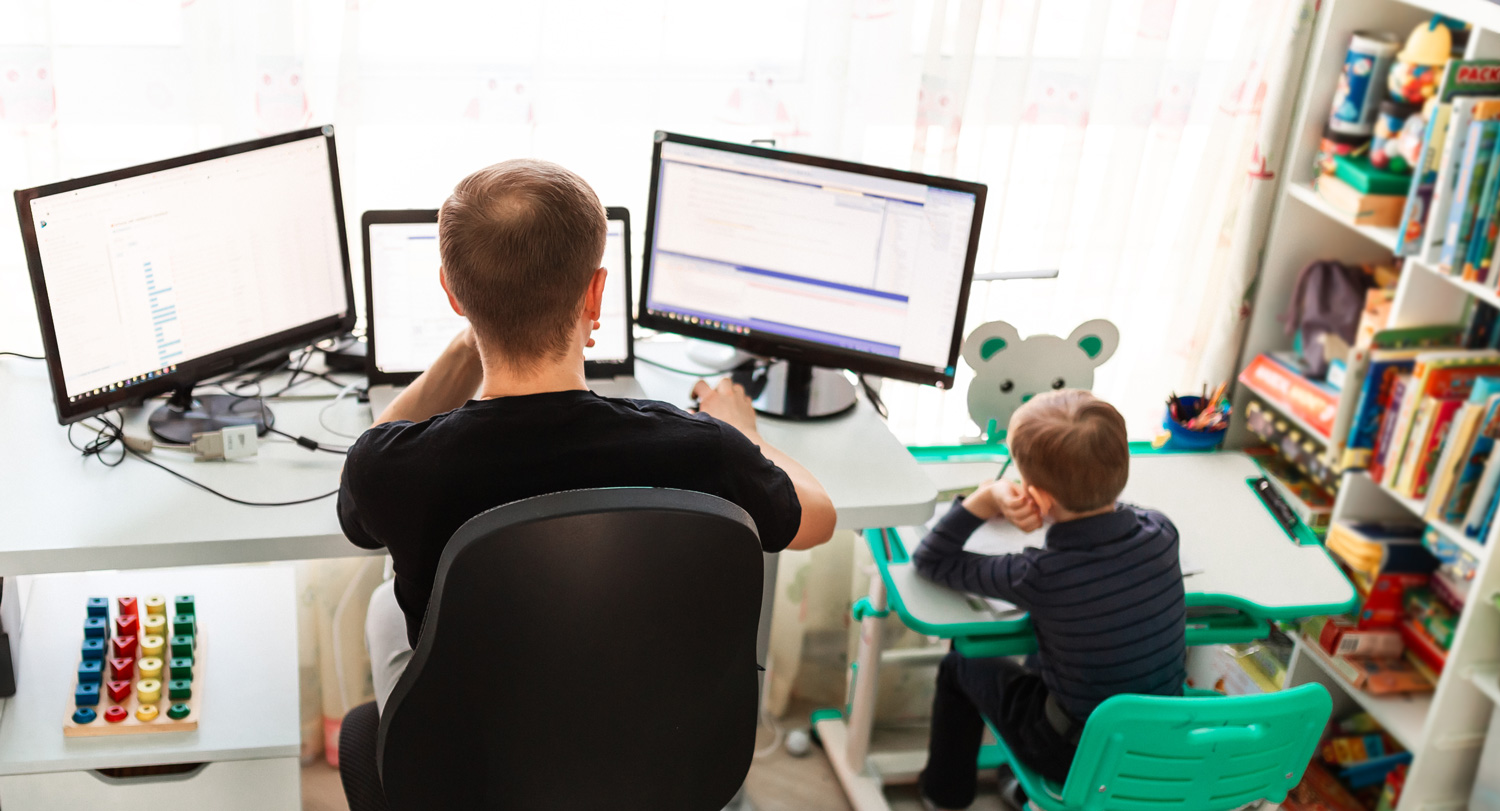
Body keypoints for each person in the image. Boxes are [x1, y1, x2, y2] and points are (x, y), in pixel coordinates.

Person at [338, 159, 837, 710]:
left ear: (452, 295)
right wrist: (745, 433)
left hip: (477, 762)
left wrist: (471, 337)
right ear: (596, 294)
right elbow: (818, 518)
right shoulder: (703, 449)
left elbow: (359, 510)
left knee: (386, 606)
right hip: (652, 744)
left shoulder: (391, 468)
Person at [911, 390, 1185, 811]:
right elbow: (1114, 510)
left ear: (1036, 496)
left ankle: (944, 796)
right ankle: (1012, 779)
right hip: (1160, 742)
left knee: (960, 663)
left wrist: (986, 498)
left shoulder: (1040, 574)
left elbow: (932, 559)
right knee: (1053, 647)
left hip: (1075, 756)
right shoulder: (1162, 532)